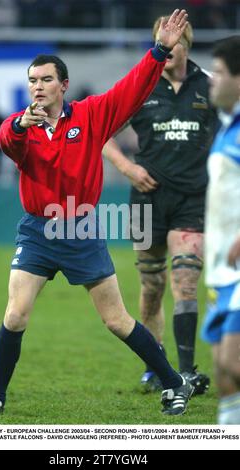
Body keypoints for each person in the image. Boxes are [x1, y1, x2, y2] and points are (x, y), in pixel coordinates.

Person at [0, 10, 194, 418]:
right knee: (15, 314)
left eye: (45, 80)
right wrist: (21, 125)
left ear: (64, 85)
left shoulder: (91, 115)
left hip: (81, 227)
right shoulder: (21, 127)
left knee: (116, 320)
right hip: (37, 231)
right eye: (32, 81)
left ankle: (172, 381)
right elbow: (8, 142)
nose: (37, 87)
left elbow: (130, 90)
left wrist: (160, 50)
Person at [103, 17, 218, 393]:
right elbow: (101, 133)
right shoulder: (142, 85)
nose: (166, 51)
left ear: (187, 43)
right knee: (151, 285)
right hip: (145, 199)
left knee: (186, 279)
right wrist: (127, 167)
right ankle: (156, 364)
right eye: (160, 44)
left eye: (172, 45)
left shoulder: (211, 87)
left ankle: (186, 371)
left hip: (192, 196)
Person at [202, 36, 240, 424]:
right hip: (220, 269)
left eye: (219, 72)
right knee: (223, 372)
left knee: (233, 359)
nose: (211, 80)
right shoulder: (227, 126)